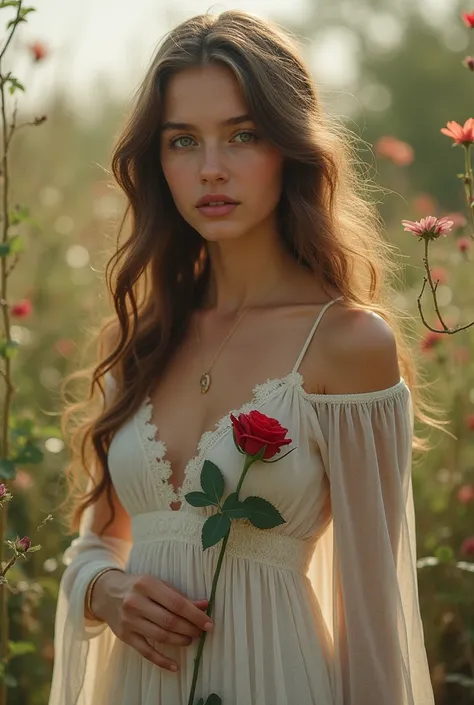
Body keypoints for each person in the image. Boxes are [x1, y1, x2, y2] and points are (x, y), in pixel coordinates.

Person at [48, 9, 436, 705]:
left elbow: (376, 625)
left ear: (289, 147)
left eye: (242, 135)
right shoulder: (139, 340)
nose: (211, 168)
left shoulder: (347, 345)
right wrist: (108, 590)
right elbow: (95, 545)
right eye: (182, 141)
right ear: (156, 159)